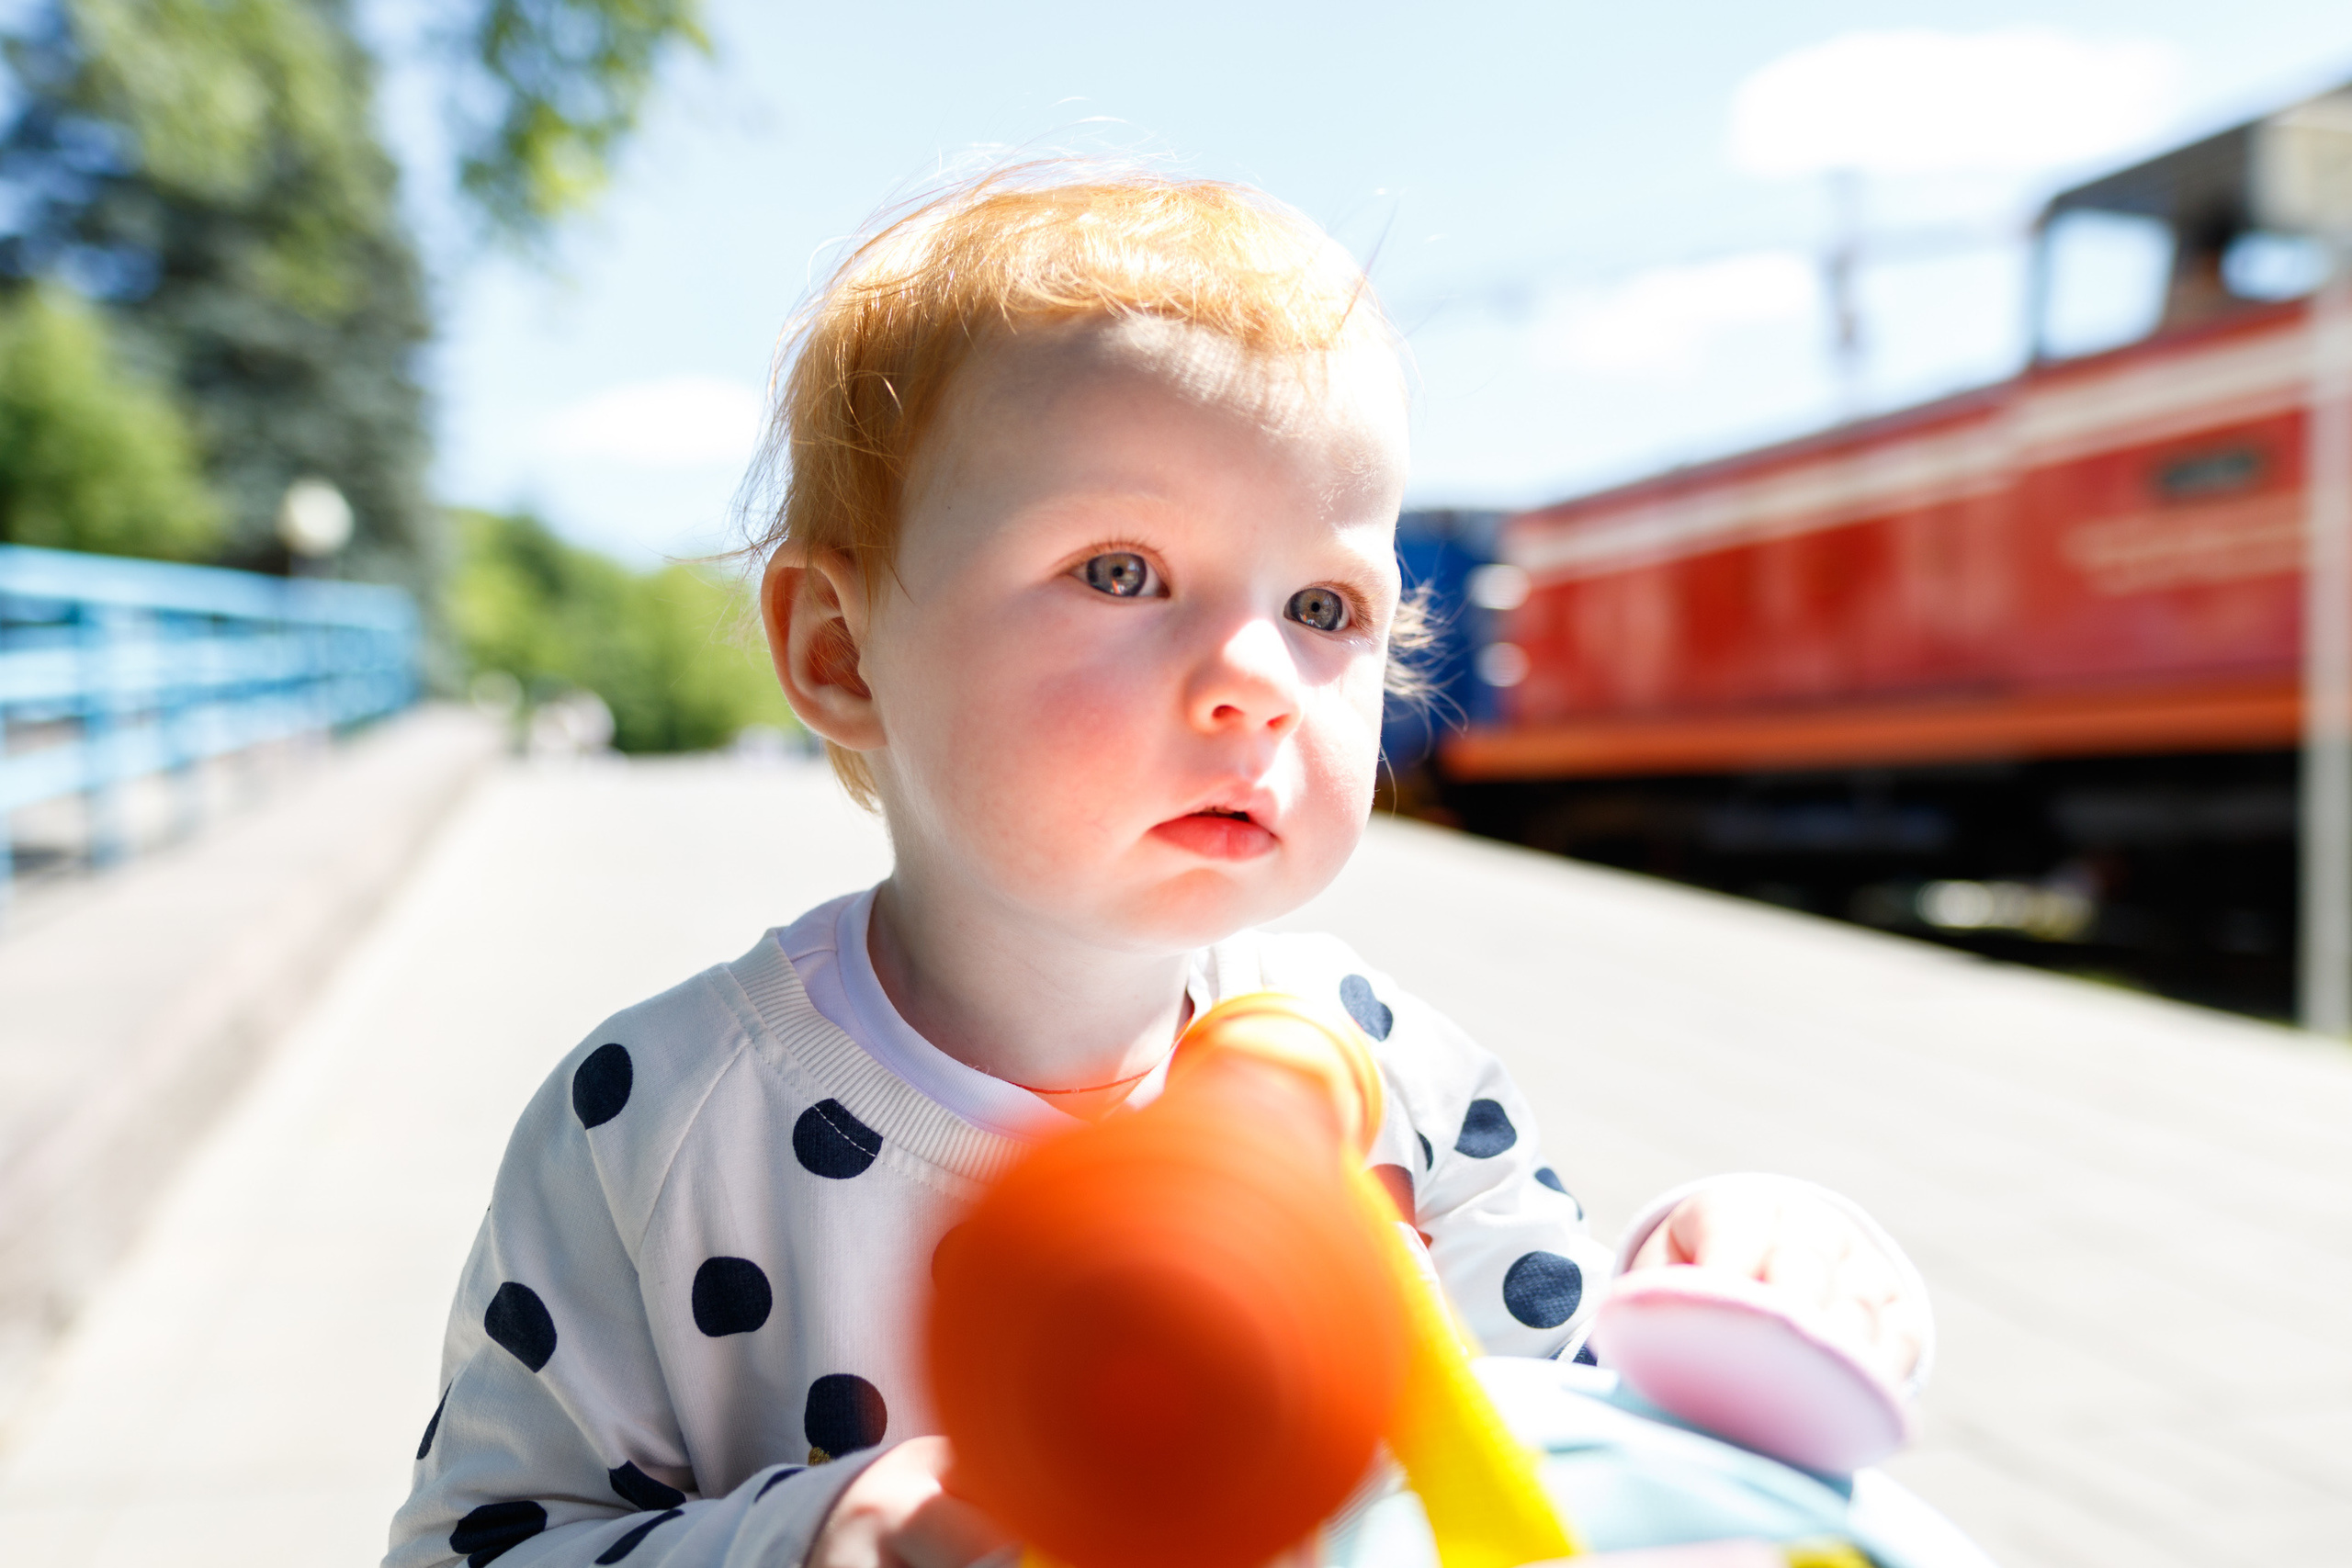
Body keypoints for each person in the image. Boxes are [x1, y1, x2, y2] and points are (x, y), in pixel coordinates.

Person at [386, 166, 1931, 1568]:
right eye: (1121, 571)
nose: (1256, 672)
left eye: (1327, 607)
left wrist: (1741, 1292)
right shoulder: (658, 1128)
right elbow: (476, 1544)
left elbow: (1569, 1438)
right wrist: (808, 1537)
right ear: (841, 650)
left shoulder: (1382, 1073)